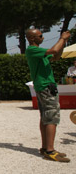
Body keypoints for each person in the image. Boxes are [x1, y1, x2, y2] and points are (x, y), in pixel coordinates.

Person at [25, 28, 71, 162]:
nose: (43, 37)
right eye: (40, 35)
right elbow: (54, 51)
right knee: (51, 117)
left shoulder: (39, 52)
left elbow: (56, 56)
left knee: (45, 116)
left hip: (43, 86)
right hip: (46, 86)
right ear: (33, 39)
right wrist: (62, 38)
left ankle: (46, 147)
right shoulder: (32, 50)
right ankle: (50, 150)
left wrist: (64, 42)